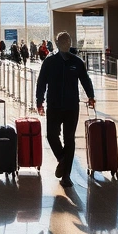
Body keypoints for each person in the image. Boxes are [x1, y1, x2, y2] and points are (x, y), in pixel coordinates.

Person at [36, 31, 96, 188]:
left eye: (68, 40)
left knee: (69, 139)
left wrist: (91, 95)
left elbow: (85, 79)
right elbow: (41, 82)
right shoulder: (49, 62)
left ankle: (66, 175)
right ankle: (63, 160)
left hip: (71, 106)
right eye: (63, 41)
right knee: (51, 135)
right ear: (57, 43)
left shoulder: (76, 62)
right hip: (54, 105)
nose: (66, 43)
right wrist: (39, 101)